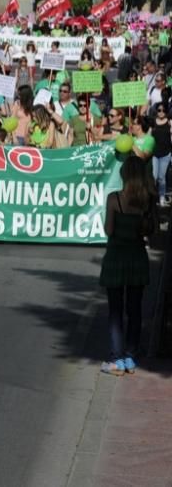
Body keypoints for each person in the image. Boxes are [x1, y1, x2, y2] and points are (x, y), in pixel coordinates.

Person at [99, 156, 154, 375]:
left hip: (116, 258)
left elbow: (109, 230)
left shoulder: (114, 199)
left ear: (124, 176)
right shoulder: (147, 201)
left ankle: (116, 358)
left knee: (115, 311)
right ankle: (131, 356)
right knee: (134, 309)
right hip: (137, 258)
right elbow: (151, 231)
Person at [152, 104, 171, 205]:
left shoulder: (170, 122)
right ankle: (154, 196)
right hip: (155, 153)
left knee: (161, 177)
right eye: (159, 110)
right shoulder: (153, 122)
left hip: (165, 154)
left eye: (163, 110)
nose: (161, 112)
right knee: (154, 177)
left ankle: (162, 196)